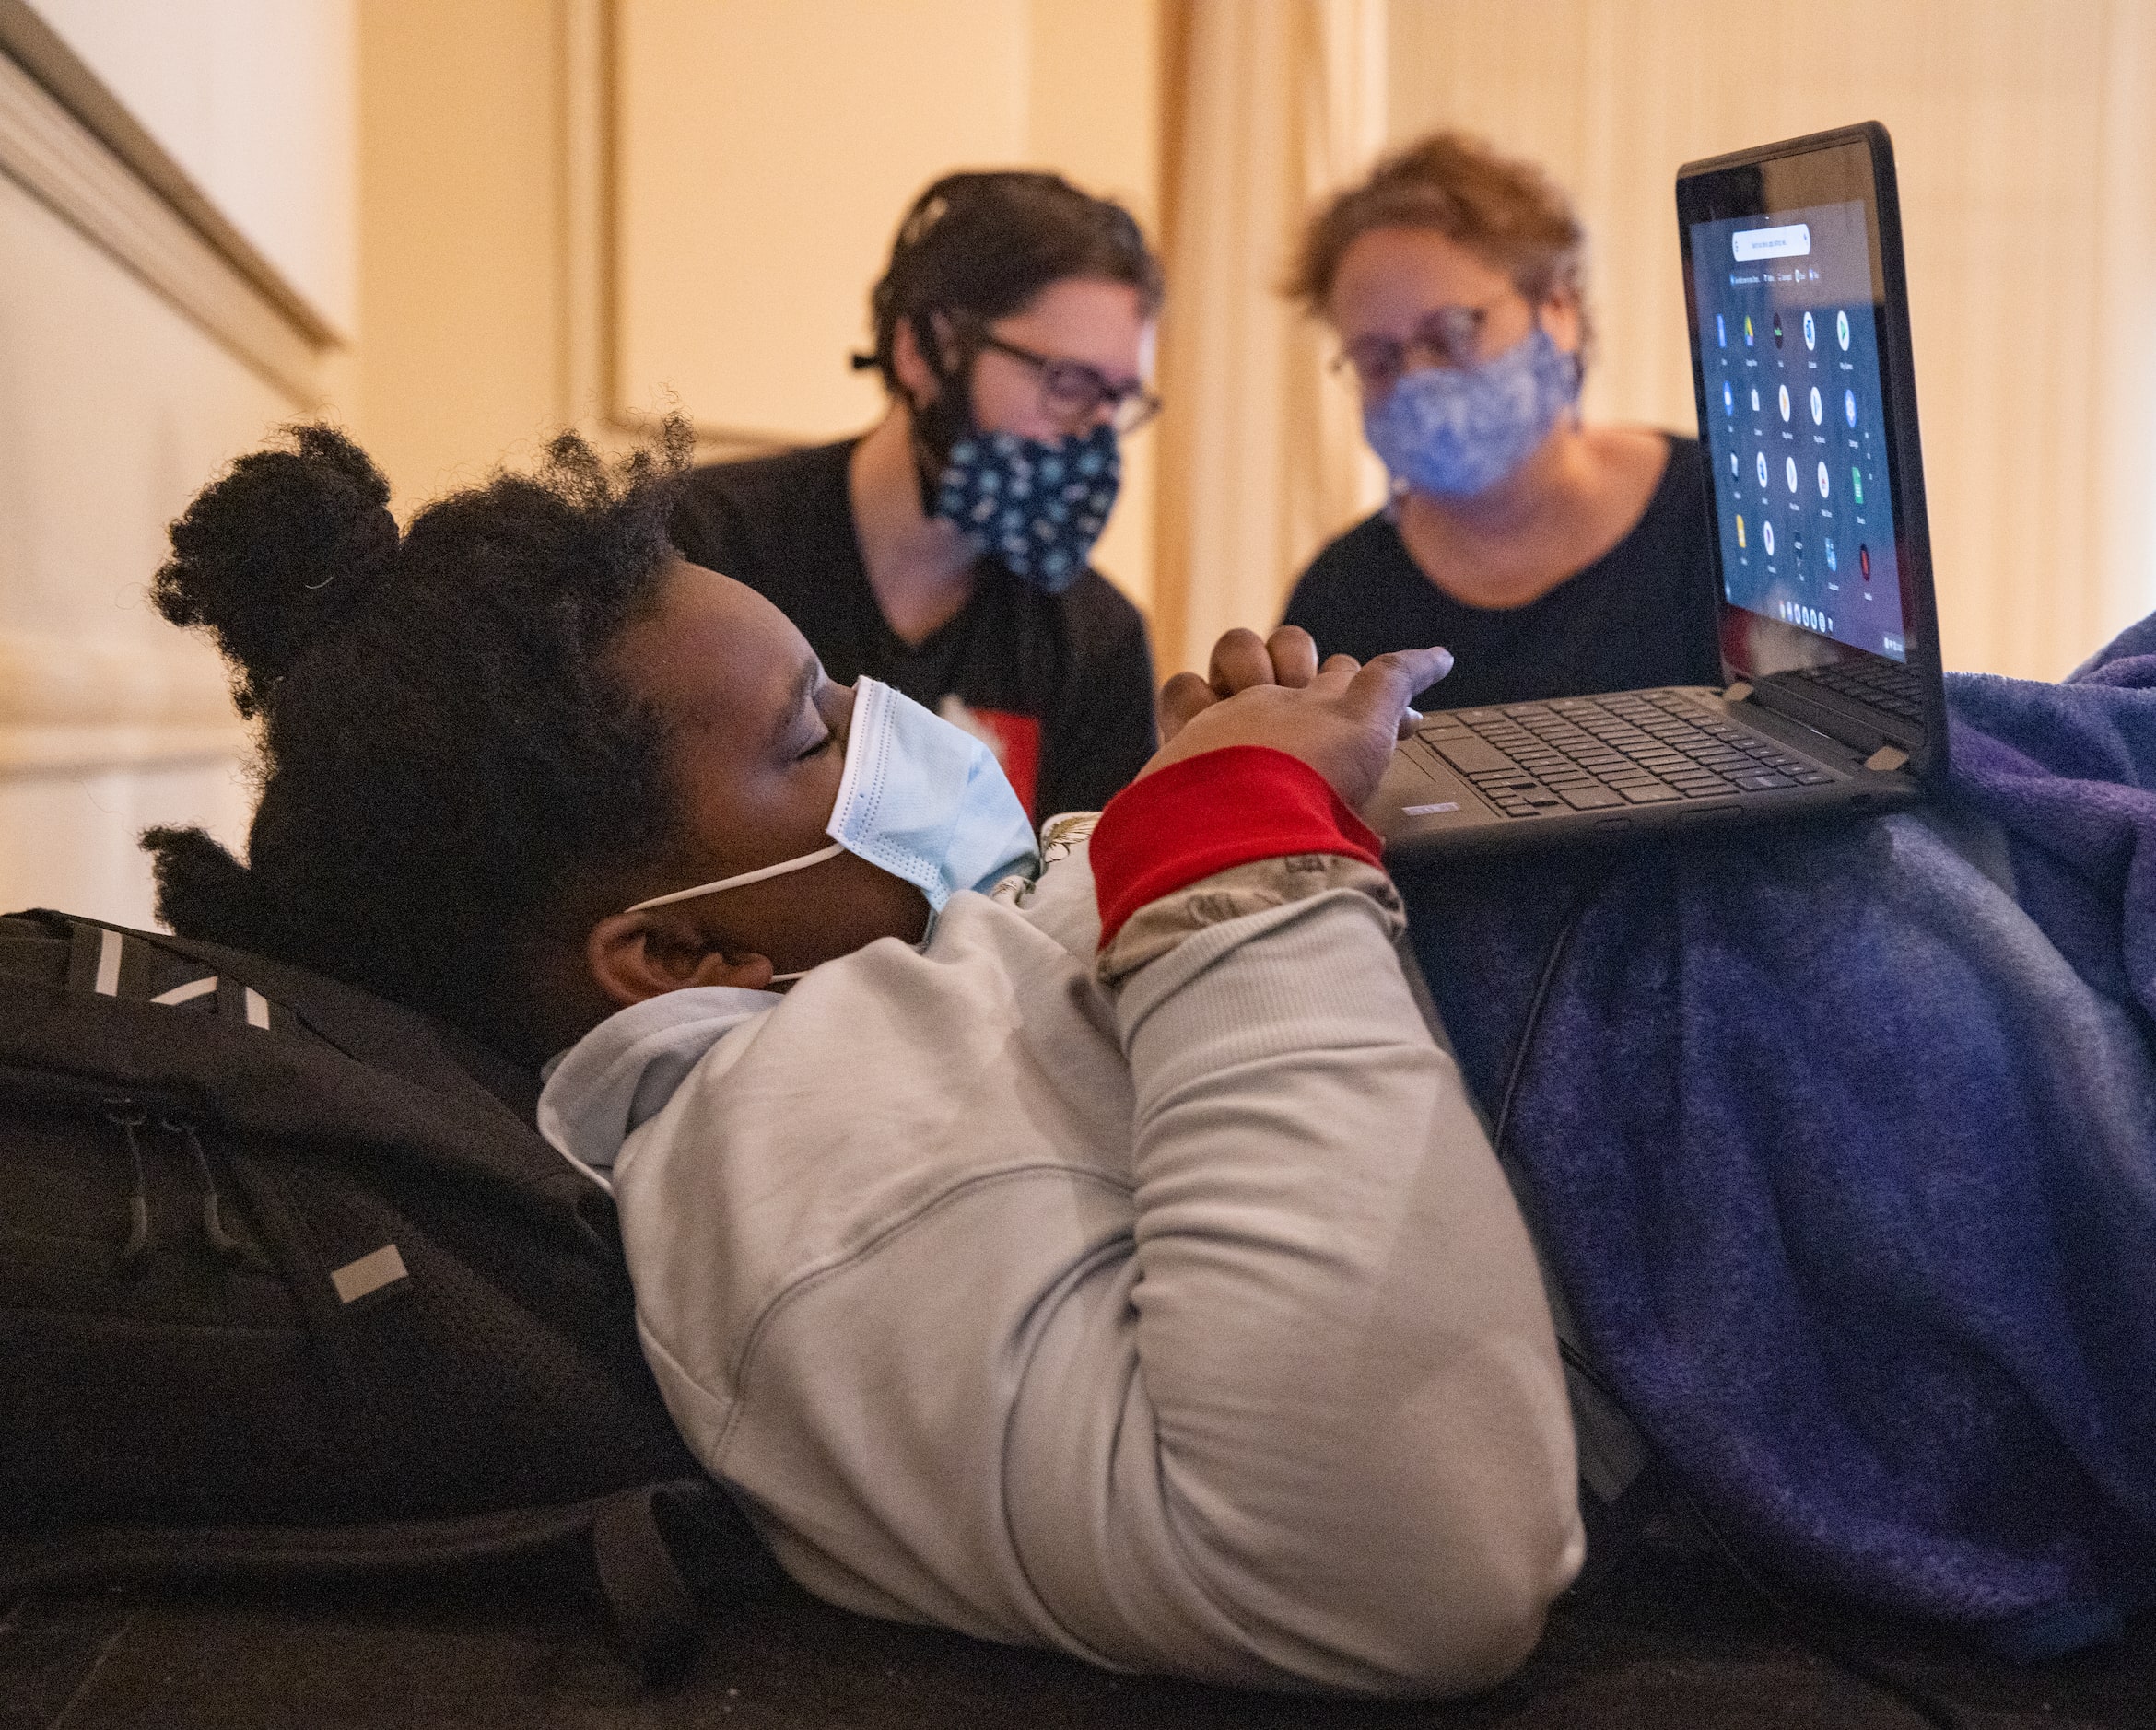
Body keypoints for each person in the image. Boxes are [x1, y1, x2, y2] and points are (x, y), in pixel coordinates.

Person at [143, 425, 1583, 1698]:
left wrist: (1186, 797)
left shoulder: (862, 982)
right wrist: (1232, 839)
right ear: (676, 954)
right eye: (814, 732)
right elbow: (1408, 1558)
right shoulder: (783, 1173)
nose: (888, 726)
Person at [669, 171, 1164, 822]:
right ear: (923, 352)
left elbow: (1076, 904)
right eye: (1069, 384)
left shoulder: (1095, 639)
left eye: (1117, 399)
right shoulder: (702, 550)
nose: (1096, 436)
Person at [1281, 132, 1723, 709]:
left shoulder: (1718, 522)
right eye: (1378, 359)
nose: (1417, 381)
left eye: (1452, 333)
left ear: (1557, 309)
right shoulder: (1342, 597)